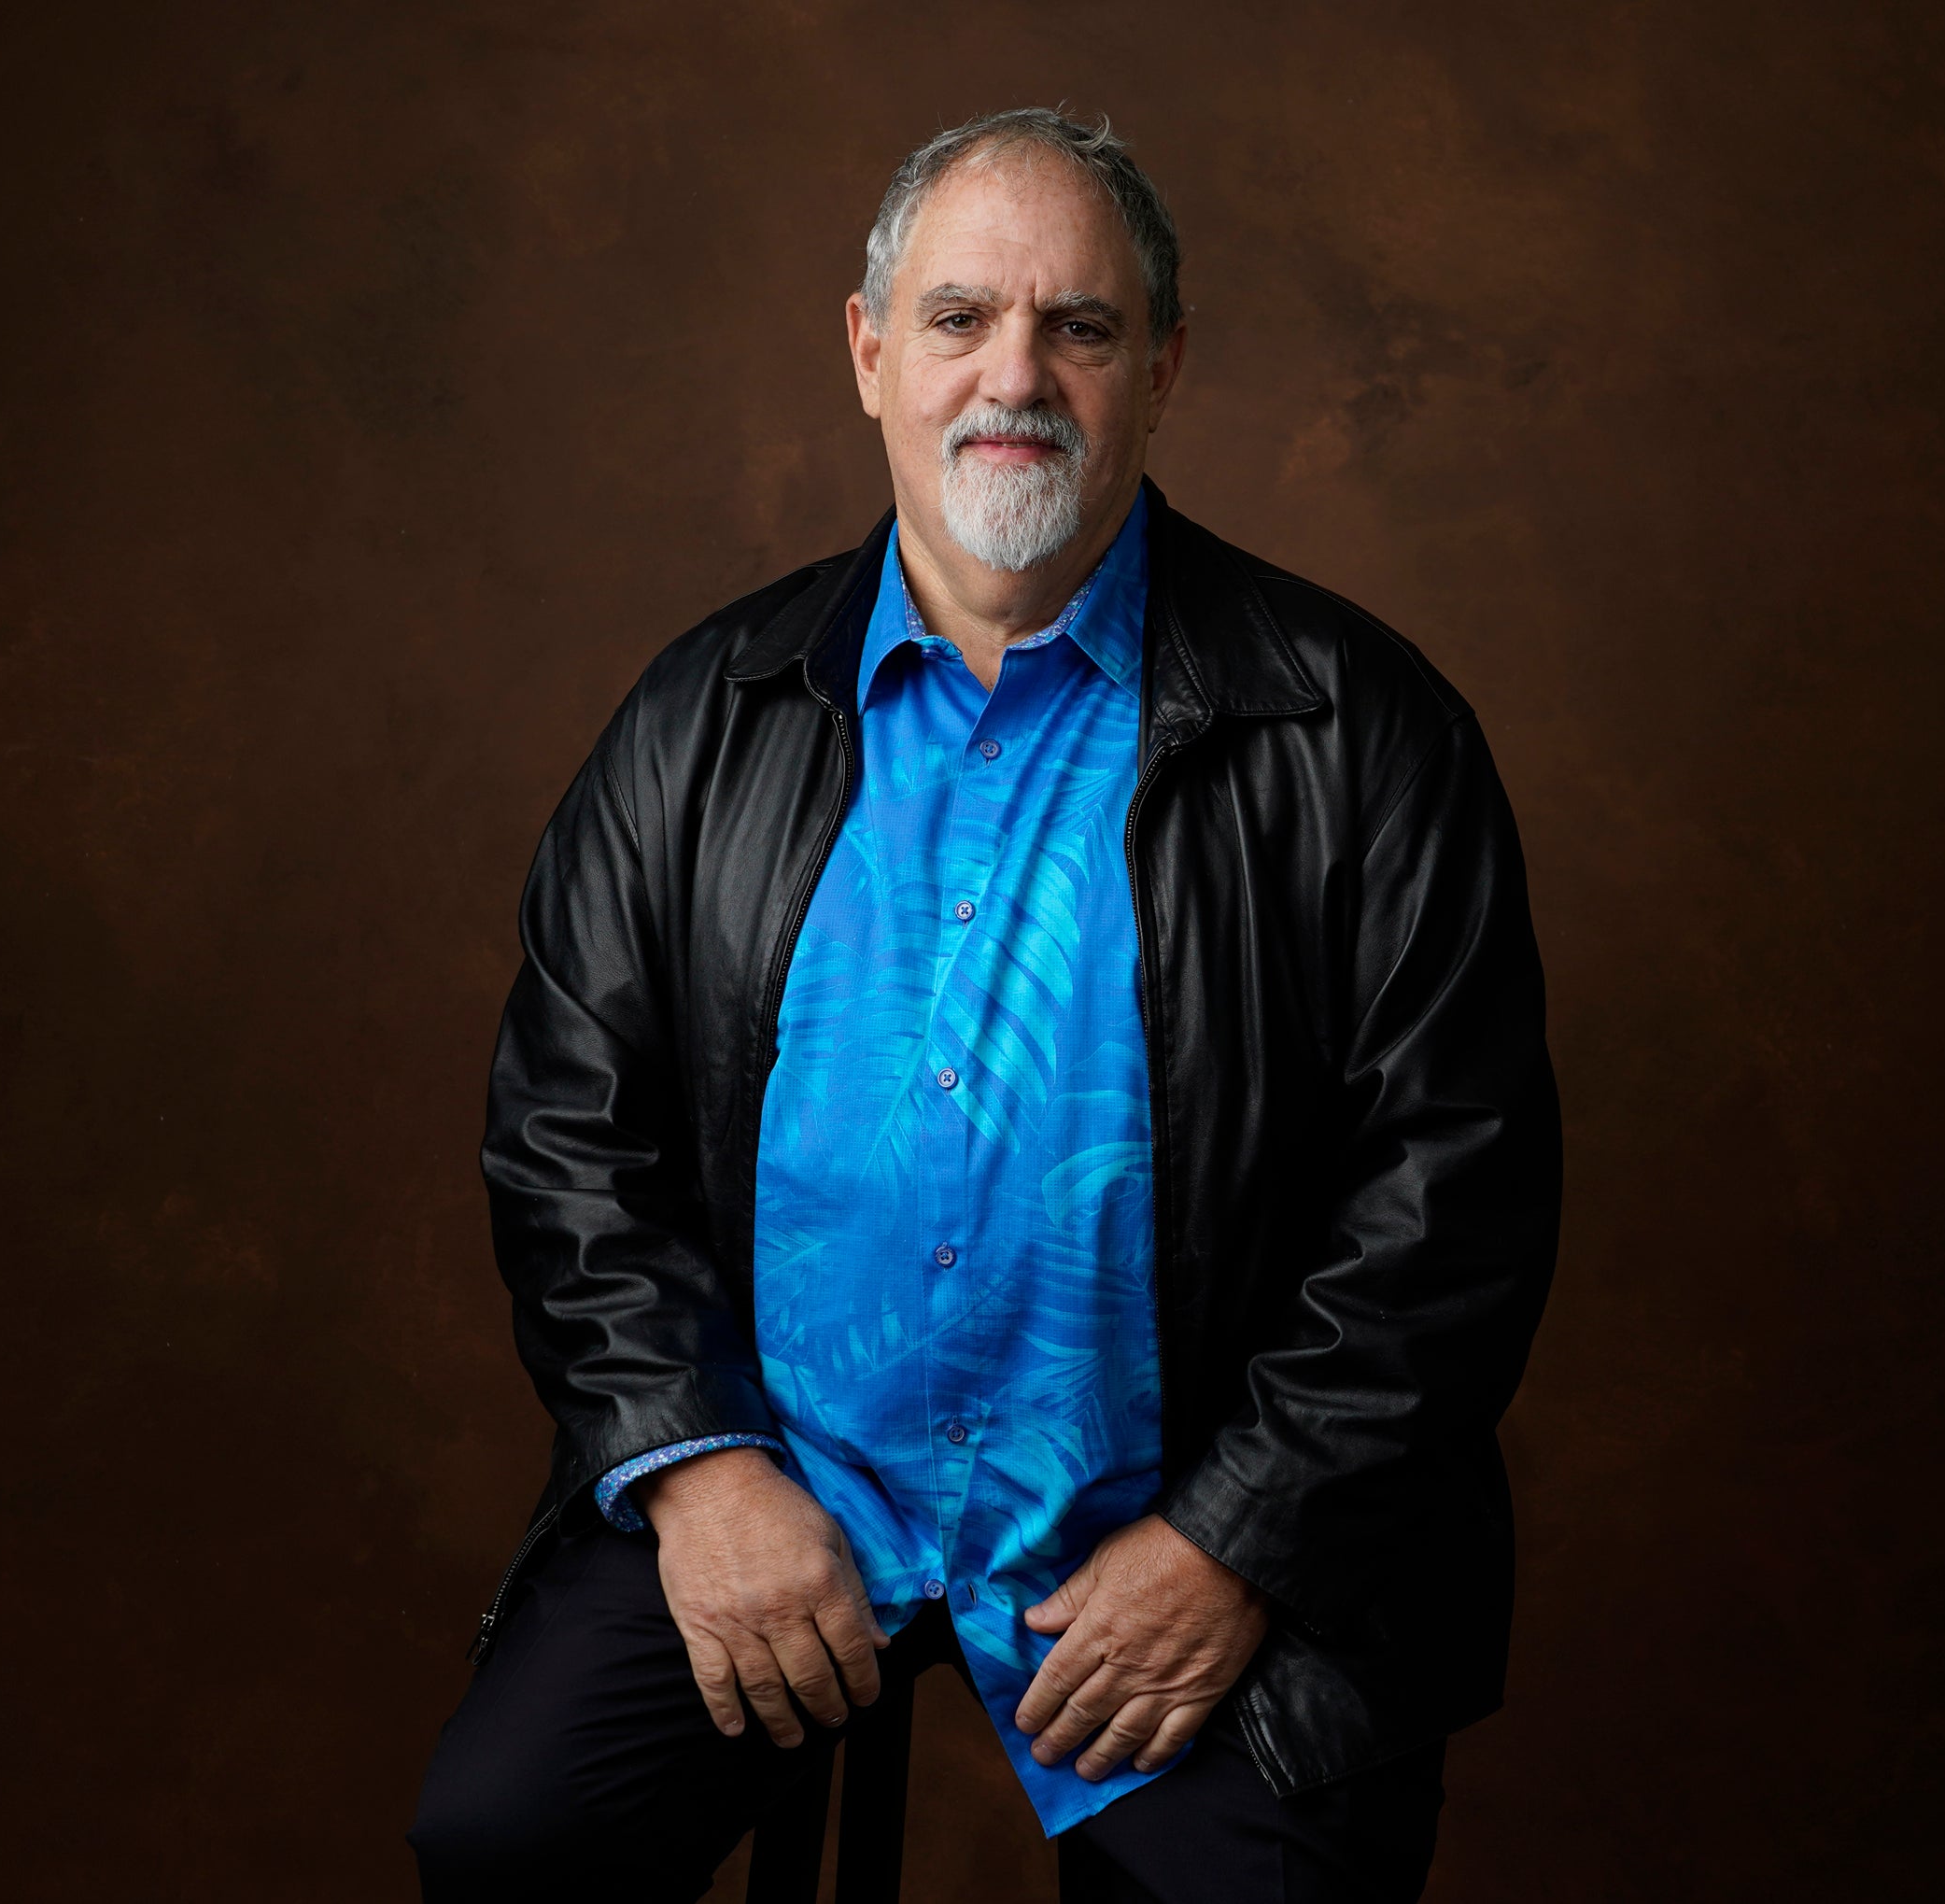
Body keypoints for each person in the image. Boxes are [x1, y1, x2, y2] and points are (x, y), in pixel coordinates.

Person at [409, 106, 1559, 1903]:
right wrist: (695, 1471)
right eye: (958, 320)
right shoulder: (700, 718)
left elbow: (1454, 1203)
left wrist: (1237, 1541)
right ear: (869, 352)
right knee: (497, 1840)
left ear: (1161, 367)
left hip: (1178, 1521)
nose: (1012, 375)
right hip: (800, 1487)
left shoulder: (1363, 732)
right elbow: (564, 1135)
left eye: (1078, 329)